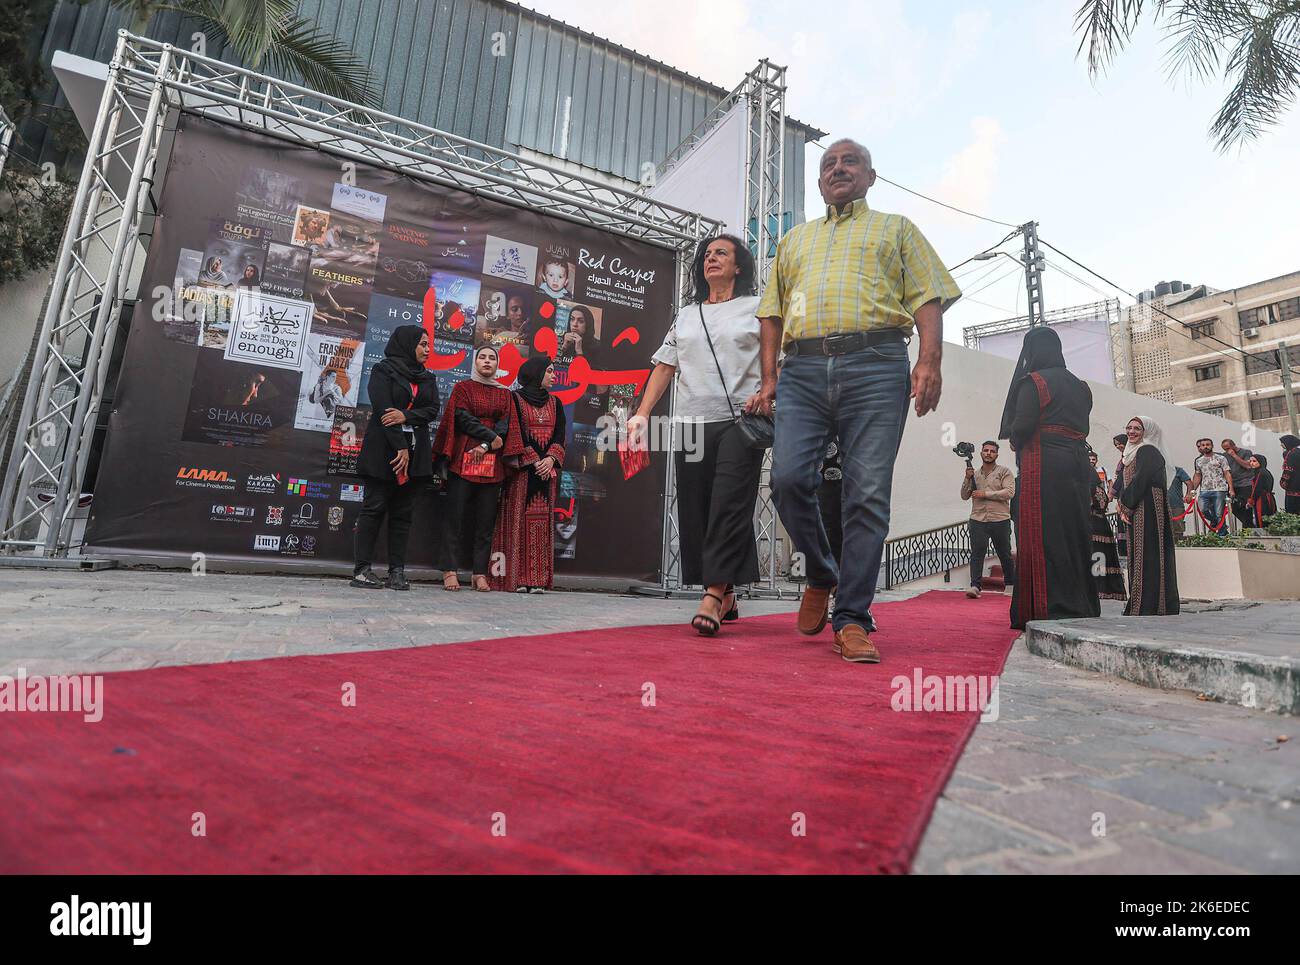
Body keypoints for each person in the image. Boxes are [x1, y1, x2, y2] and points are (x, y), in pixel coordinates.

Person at [757, 139, 960, 663]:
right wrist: (768, 379)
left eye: (850, 162)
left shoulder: (896, 228)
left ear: (870, 177)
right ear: (820, 181)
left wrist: (929, 361)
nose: (838, 169)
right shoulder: (794, 240)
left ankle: (851, 617)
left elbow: (927, 297)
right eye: (829, 164)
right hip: (801, 369)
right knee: (787, 480)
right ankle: (823, 572)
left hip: (876, 365)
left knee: (866, 494)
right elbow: (772, 312)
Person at [633, 234, 763, 634]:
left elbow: (780, 360)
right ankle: (728, 595)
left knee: (729, 503)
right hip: (690, 423)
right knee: (696, 509)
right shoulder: (687, 315)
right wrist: (641, 414)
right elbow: (665, 365)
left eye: (721, 253)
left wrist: (768, 391)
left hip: (740, 420)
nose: (711, 259)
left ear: (739, 265)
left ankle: (712, 594)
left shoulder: (757, 308)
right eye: (706, 255)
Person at [1001, 326, 1100, 630]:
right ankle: (1081, 601)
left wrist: (1016, 440)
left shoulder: (1033, 382)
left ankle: (1048, 605)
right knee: (1075, 532)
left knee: (1044, 532)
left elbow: (1023, 425)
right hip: (1078, 463)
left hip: (1043, 463)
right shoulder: (1081, 386)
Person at [351, 325, 440, 590]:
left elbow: (432, 410)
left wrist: (407, 416)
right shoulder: (383, 370)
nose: (427, 350)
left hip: (416, 453)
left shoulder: (428, 378)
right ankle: (362, 571)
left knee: (403, 514)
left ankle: (396, 571)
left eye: (428, 345)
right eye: (423, 344)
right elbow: (383, 410)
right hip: (384, 451)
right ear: (407, 344)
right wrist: (400, 446)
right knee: (374, 507)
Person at [432, 344, 521, 591]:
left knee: (485, 522)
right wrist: (488, 438)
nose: (487, 361)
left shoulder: (505, 394)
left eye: (492, 358)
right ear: (475, 361)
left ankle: (479, 572)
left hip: (492, 462)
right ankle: (450, 570)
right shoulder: (463, 388)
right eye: (482, 357)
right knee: (455, 517)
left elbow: (505, 425)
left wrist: (487, 444)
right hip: (463, 458)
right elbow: (462, 418)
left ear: (497, 364)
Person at [491, 356, 566, 593]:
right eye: (550, 372)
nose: (554, 376)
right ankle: (514, 579)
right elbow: (515, 434)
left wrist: (551, 459)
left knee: (541, 523)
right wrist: (535, 461)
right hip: (522, 473)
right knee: (516, 522)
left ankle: (536, 580)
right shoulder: (515, 399)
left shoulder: (556, 403)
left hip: (545, 475)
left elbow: (560, 436)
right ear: (536, 373)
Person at [1118, 415, 1179, 615]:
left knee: (1148, 554)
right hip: (1139, 506)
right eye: (1129, 428)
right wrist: (1123, 503)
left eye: (1137, 428)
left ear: (1148, 432)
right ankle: (1141, 603)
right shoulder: (1132, 452)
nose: (1131, 432)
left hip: (1148, 506)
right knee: (1140, 553)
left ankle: (1148, 605)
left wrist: (1125, 504)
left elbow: (1141, 479)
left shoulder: (1148, 450)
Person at [961, 440, 1016, 600]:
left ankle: (1010, 584)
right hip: (978, 519)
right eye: (986, 450)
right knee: (977, 553)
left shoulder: (1004, 472)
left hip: (1000, 519)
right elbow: (964, 496)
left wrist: (985, 494)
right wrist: (966, 479)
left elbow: (1009, 492)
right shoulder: (975, 474)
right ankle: (975, 586)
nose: (989, 453)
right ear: (981, 453)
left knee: (1004, 553)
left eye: (992, 451)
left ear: (996, 454)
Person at [1087, 448, 1127, 602]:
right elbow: (1102, 506)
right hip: (1101, 525)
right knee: (1101, 556)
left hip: (1091, 526)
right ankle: (1102, 588)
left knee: (1096, 556)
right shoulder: (1099, 489)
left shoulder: (1086, 489)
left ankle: (1097, 588)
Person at [1186, 438, 1233, 536]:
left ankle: (1222, 534)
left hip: (1219, 489)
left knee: (1219, 513)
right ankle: (1218, 523)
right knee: (1203, 510)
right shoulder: (1198, 461)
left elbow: (1227, 473)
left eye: (1208, 444)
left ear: (1212, 446)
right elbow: (1198, 475)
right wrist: (1192, 490)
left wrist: (1231, 488)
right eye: (1203, 445)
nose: (1205, 447)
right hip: (1205, 490)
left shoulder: (1221, 458)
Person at [1222, 438, 1256, 528]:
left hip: (1245, 483)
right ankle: (1249, 525)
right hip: (1233, 484)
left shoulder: (1246, 452)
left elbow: (1248, 466)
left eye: (1228, 448)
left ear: (1233, 445)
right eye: (1224, 449)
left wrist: (1234, 455)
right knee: (1233, 507)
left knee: (1245, 506)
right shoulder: (1224, 456)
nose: (1227, 451)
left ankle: (1248, 528)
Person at [1108, 432, 1130, 558]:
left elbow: (1121, 477)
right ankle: (1124, 550)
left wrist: (1112, 493)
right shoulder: (1122, 458)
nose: (1118, 446)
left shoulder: (1129, 456)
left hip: (1127, 493)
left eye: (1120, 443)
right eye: (1116, 445)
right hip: (1121, 494)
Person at [1245, 454, 1277, 528]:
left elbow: (1256, 488)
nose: (1251, 463)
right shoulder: (1265, 471)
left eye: (1254, 461)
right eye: (1250, 461)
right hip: (1268, 498)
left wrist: (1251, 500)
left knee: (1261, 519)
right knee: (1268, 517)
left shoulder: (1260, 473)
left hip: (1261, 500)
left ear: (1260, 462)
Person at [1168, 465, 1192, 538]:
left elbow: (1189, 483)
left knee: (1178, 528)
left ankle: (1178, 544)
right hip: (1159, 505)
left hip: (1176, 504)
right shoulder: (1156, 471)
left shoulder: (1178, 470)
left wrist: (1188, 494)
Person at [1280, 435, 1300, 514]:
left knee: (1292, 514)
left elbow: (1288, 471)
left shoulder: (1292, 454)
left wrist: (1283, 482)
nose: (1281, 445)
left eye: (1282, 443)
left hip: (1293, 489)